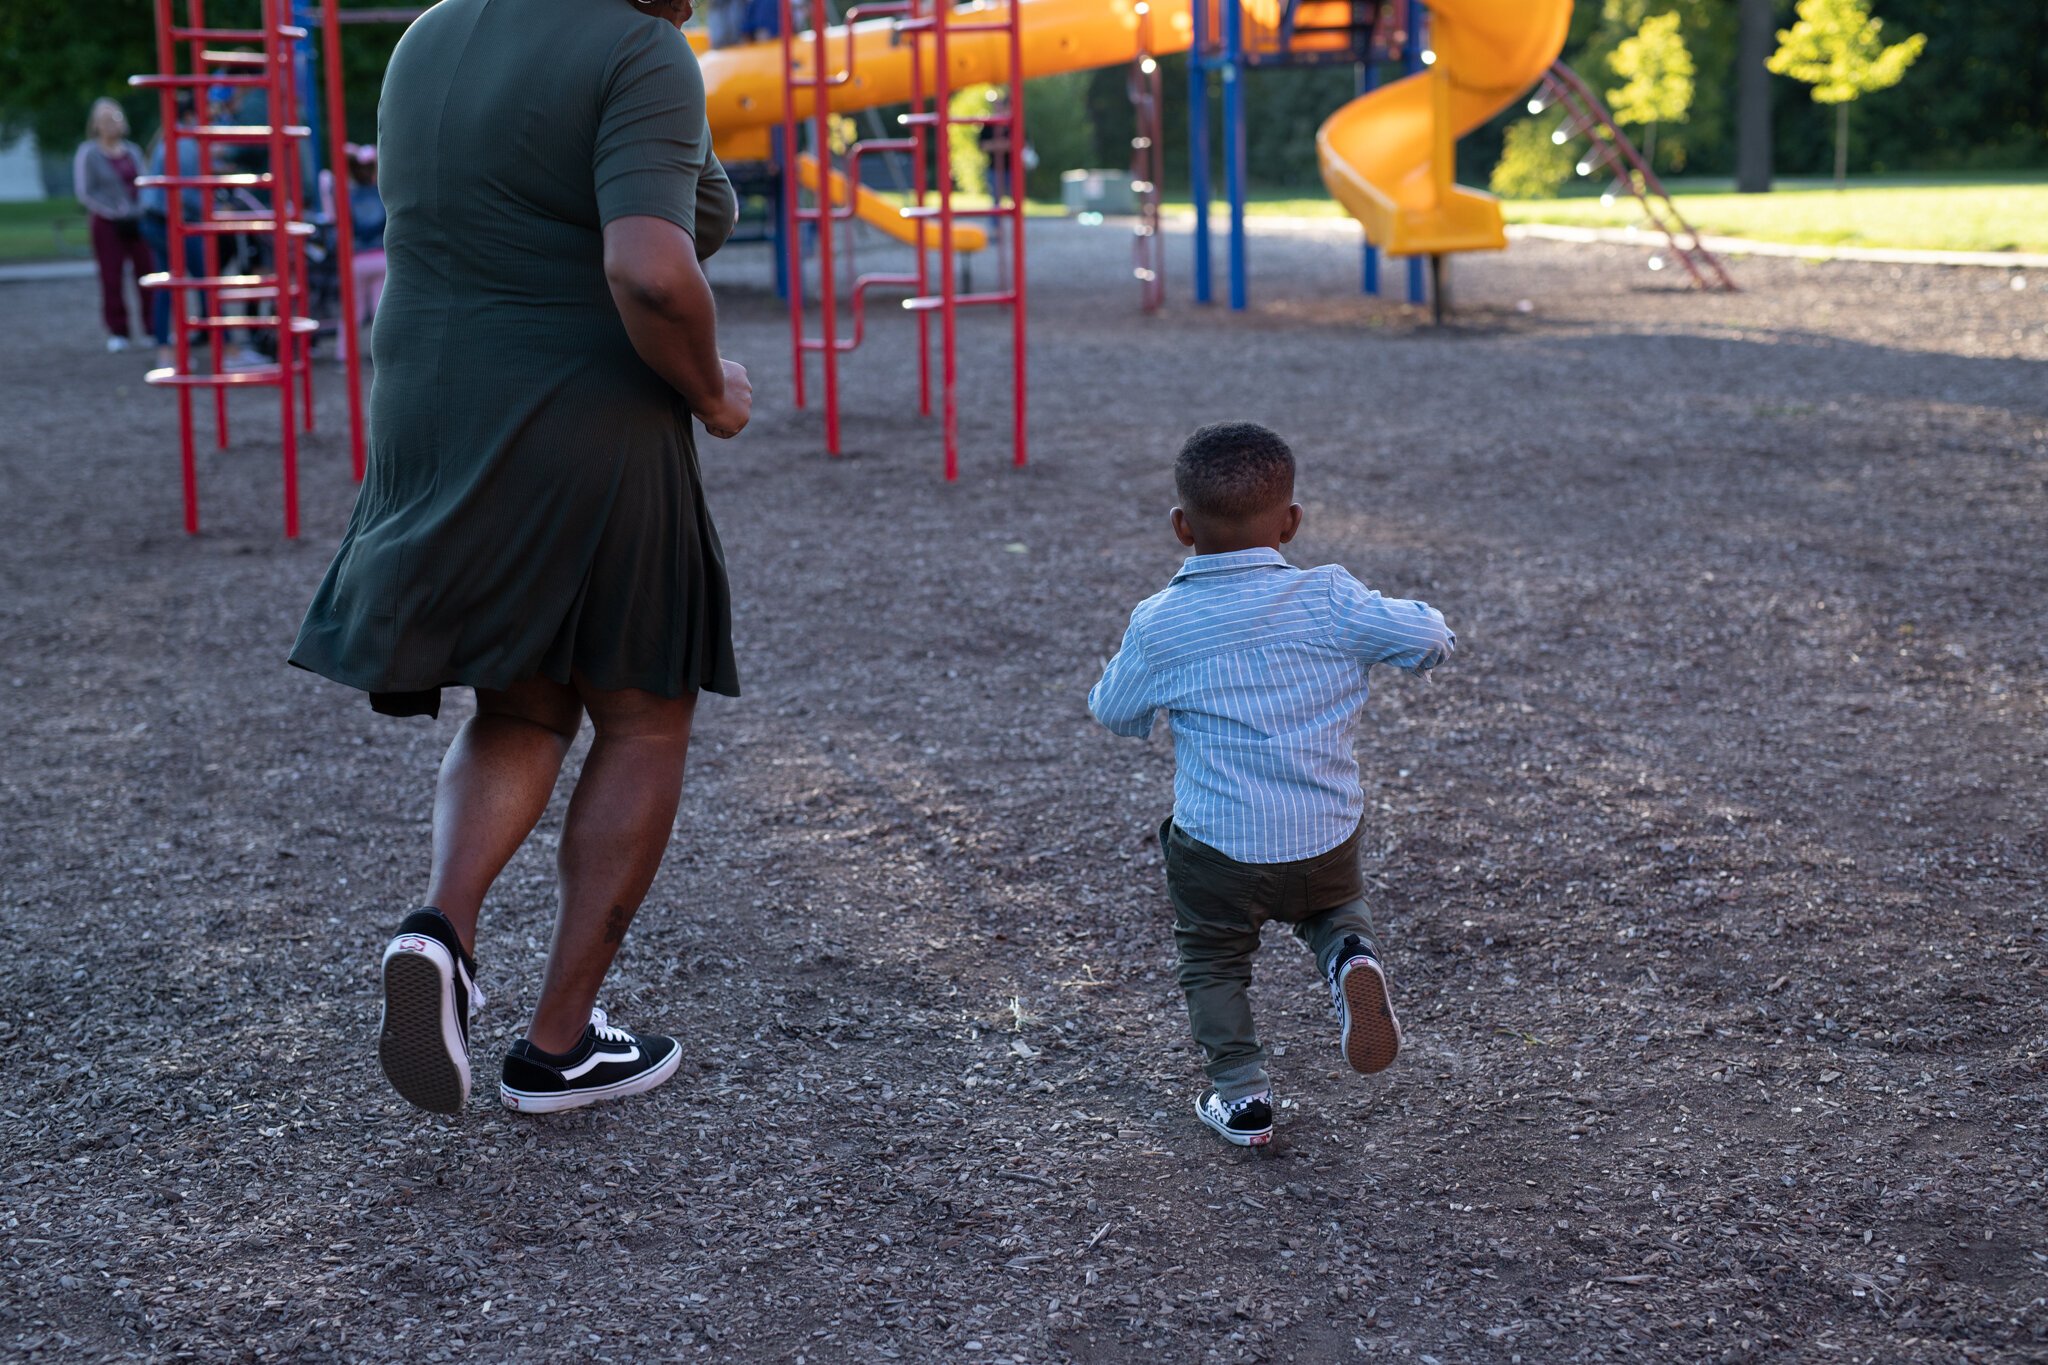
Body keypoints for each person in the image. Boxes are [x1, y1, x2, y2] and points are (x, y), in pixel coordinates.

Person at [289, 0, 751, 1118]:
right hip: (581, 417)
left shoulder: (431, 36)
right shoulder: (636, 50)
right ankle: (554, 1048)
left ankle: (438, 933)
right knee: (643, 712)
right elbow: (647, 267)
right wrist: (710, 389)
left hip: (430, 403)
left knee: (525, 700)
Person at [1087, 423, 1455, 1148]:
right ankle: (1350, 955)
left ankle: (1242, 1095)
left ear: (1182, 527)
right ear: (1290, 522)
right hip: (1324, 833)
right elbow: (1431, 639)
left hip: (1219, 848)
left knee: (1213, 957)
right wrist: (1400, 620)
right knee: (1332, 907)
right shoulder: (1331, 600)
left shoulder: (1162, 623)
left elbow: (1113, 710)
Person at [74, 98, 154, 353]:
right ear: (96, 125)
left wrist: (139, 209)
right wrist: (113, 211)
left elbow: (145, 182)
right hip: (108, 222)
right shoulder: (89, 152)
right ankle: (118, 330)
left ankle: (153, 327)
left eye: (116, 119)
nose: (112, 125)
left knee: (147, 272)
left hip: (136, 220)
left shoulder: (132, 151)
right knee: (111, 276)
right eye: (106, 120)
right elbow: (85, 192)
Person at [140, 93, 207, 371]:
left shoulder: (170, 140)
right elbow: (189, 194)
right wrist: (214, 207)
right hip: (169, 222)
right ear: (191, 116)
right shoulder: (185, 144)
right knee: (204, 281)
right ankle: (228, 348)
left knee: (170, 285)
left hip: (157, 220)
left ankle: (166, 351)